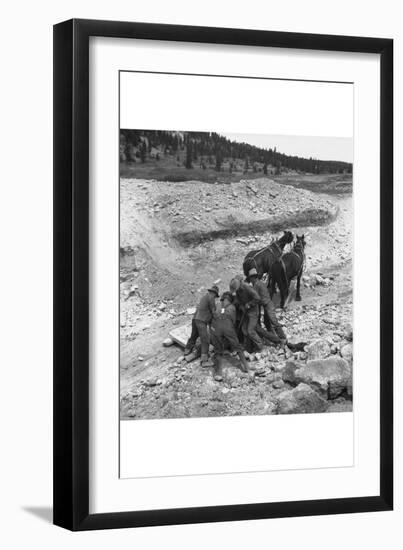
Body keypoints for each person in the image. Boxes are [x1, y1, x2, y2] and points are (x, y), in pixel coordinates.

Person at [210, 292, 251, 381]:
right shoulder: (232, 307)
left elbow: (213, 315)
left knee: (218, 351)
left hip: (216, 327)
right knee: (237, 347)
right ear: (230, 300)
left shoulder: (217, 305)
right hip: (228, 327)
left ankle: (218, 373)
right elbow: (233, 321)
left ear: (223, 299)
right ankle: (247, 367)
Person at [247, 268, 287, 344]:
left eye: (250, 279)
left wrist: (249, 304)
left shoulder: (256, 285)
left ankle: (282, 338)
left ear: (252, 278)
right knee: (267, 322)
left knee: (274, 321)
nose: (250, 280)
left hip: (268, 306)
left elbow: (256, 298)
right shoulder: (259, 283)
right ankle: (275, 337)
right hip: (267, 305)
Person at [184, 285, 219, 367]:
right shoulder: (211, 298)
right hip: (201, 321)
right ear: (214, 293)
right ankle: (204, 361)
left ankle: (187, 350)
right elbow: (213, 312)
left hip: (195, 319)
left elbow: (206, 311)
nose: (215, 297)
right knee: (205, 340)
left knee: (194, 336)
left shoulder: (204, 297)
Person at [229, 277, 263, 351]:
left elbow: (257, 298)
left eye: (235, 290)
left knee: (250, 331)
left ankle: (260, 346)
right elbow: (238, 300)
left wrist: (249, 304)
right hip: (246, 311)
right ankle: (248, 348)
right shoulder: (238, 290)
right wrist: (238, 305)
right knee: (244, 329)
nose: (235, 291)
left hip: (253, 312)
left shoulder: (246, 287)